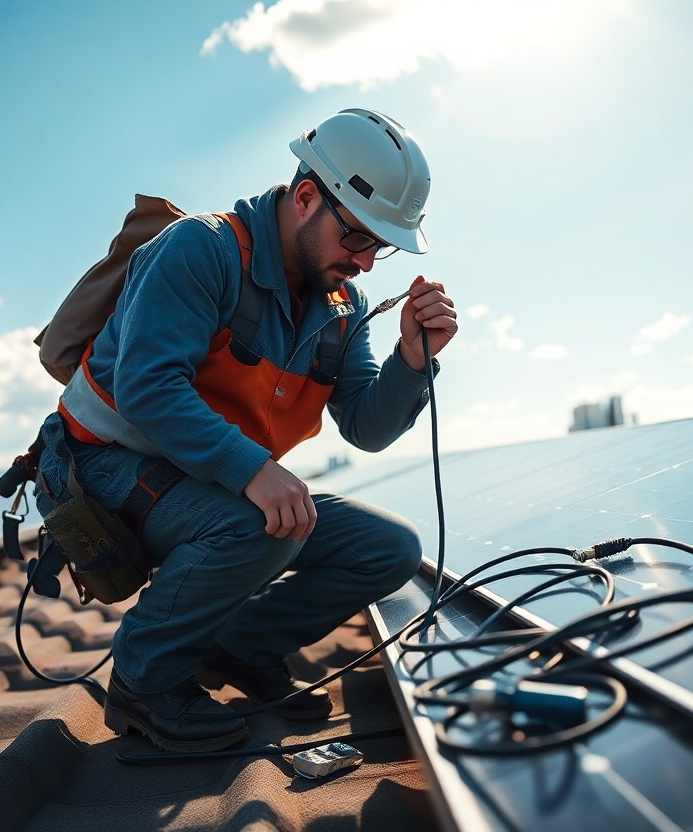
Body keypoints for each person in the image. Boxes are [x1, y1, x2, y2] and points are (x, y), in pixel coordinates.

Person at [32, 108, 457, 752]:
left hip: (202, 477)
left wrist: (412, 362)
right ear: (308, 198)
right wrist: (255, 472)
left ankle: (238, 646)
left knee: (389, 549)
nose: (368, 263)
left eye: (382, 246)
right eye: (358, 239)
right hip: (102, 466)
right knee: (264, 522)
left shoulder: (342, 308)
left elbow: (367, 429)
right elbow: (149, 387)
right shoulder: (200, 249)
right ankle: (144, 686)